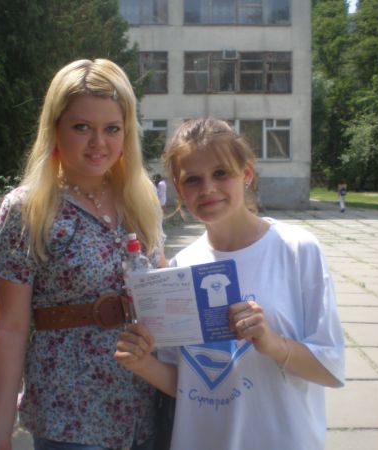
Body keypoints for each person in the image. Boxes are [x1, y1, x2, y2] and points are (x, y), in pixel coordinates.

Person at [114, 118, 345, 450]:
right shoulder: (180, 269)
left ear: (246, 173)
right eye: (192, 179)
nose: (207, 188)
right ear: (179, 189)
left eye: (220, 173)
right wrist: (143, 364)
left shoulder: (297, 249)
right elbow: (188, 383)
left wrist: (273, 344)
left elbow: (330, 368)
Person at [0, 59, 166, 450]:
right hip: (69, 416)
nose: (99, 143)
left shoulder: (141, 202)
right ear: (55, 128)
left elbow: (164, 298)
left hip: (143, 409)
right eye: (82, 127)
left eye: (112, 128)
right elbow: (9, 327)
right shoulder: (29, 210)